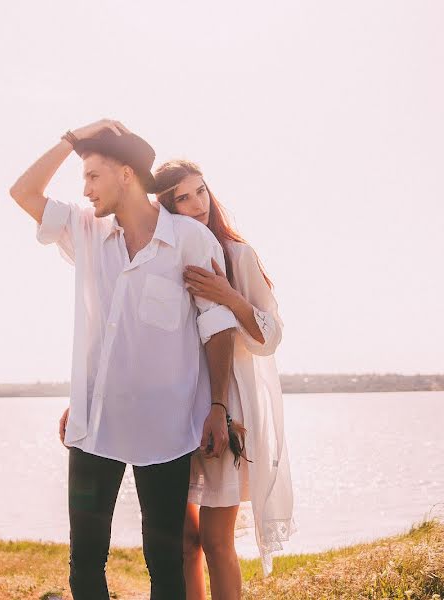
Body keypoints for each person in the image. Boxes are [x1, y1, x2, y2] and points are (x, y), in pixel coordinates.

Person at [10, 119, 238, 600]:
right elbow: (23, 191)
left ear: (128, 174)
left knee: (166, 563)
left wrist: (217, 407)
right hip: (95, 427)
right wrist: (74, 140)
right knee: (85, 563)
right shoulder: (85, 230)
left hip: (167, 431)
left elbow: (218, 326)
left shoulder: (189, 240)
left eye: (93, 175)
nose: (87, 189)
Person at [154, 159, 295, 599]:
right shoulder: (162, 259)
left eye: (201, 191)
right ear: (167, 206)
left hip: (226, 403)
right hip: (175, 405)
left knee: (216, 541)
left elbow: (269, 337)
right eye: (183, 196)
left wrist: (231, 297)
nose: (198, 204)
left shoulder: (237, 255)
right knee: (184, 542)